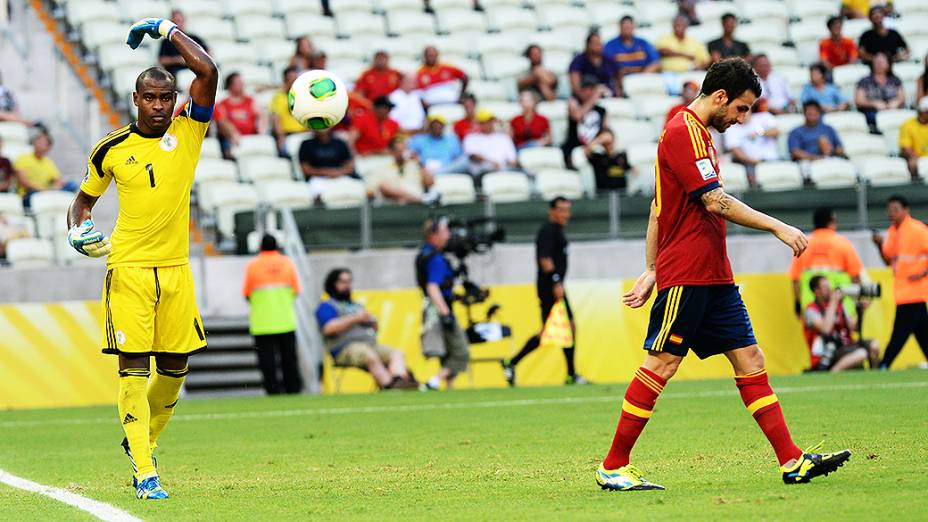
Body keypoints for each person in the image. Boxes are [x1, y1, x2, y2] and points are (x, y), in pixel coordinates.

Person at [596, 58, 849, 492]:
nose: (742, 118)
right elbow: (715, 202)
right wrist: (778, 225)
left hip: (714, 275)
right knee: (662, 363)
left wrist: (651, 268)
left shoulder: (697, 136)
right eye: (741, 108)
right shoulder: (683, 132)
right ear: (720, 97)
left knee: (751, 360)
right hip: (689, 274)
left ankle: (791, 461)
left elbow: (660, 208)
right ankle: (613, 466)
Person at [65, 16, 218, 500]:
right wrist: (77, 231)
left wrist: (166, 29)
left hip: (176, 270)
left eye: (165, 97)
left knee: (174, 371)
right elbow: (82, 201)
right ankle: (146, 471)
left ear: (175, 101)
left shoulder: (189, 132)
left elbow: (209, 71)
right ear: (135, 99)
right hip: (128, 269)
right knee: (134, 368)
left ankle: (140, 443)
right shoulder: (111, 148)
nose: (158, 105)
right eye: (149, 97)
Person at [502, 197, 588, 386]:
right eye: (562, 210)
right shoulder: (548, 231)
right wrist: (556, 282)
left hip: (552, 286)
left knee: (555, 332)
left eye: (568, 210)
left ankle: (512, 362)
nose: (566, 214)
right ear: (552, 211)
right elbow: (545, 259)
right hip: (550, 287)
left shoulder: (557, 231)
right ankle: (571, 375)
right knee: (565, 328)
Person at [316, 268, 418, 390]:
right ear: (332, 284)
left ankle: (399, 381)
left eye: (349, 282)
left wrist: (371, 322)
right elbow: (328, 328)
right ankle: (390, 387)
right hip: (345, 348)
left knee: (396, 353)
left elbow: (375, 327)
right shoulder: (327, 306)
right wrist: (355, 318)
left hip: (369, 344)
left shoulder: (356, 305)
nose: (347, 285)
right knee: (369, 355)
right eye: (342, 282)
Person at [872, 195, 928, 369]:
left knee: (900, 332)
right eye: (889, 210)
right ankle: (885, 363)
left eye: (895, 209)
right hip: (902, 290)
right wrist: (879, 245)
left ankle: (884, 363)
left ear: (906, 210)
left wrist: (923, 272)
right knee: (922, 333)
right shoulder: (893, 231)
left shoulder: (918, 230)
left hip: (914, 291)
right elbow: (888, 260)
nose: (892, 213)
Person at [242, 234, 303, 395]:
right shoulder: (287, 263)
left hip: (262, 323)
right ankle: (293, 389)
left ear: (260, 247)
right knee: (289, 360)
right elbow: (296, 291)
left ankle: (273, 390)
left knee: (267, 362)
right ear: (277, 246)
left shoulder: (253, 265)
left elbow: (247, 294)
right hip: (285, 321)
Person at [416, 217, 470, 390]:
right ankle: (433, 382)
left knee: (446, 353)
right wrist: (446, 313)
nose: (448, 236)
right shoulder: (435, 259)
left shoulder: (424, 254)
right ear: (433, 235)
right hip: (439, 308)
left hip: (431, 307)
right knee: (461, 352)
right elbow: (432, 287)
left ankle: (450, 387)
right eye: (445, 231)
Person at [788, 207, 864, 317]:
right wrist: (859, 302)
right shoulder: (843, 243)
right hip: (841, 306)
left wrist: (797, 304)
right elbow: (856, 277)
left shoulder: (804, 244)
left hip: (812, 308)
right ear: (831, 222)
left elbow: (795, 280)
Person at [804, 275, 880, 372]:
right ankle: (830, 375)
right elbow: (825, 329)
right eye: (826, 288)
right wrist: (833, 303)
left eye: (829, 287)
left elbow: (853, 327)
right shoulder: (811, 309)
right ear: (816, 291)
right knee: (861, 354)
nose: (830, 290)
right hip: (826, 354)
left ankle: (874, 376)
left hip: (845, 346)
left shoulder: (839, 305)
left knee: (874, 345)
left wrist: (861, 311)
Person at [724, 99, 780, 184]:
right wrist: (755, 162)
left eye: (745, 109)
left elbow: (776, 131)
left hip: (773, 160)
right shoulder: (731, 128)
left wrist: (760, 133)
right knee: (750, 176)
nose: (743, 113)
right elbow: (736, 151)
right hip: (749, 164)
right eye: (739, 110)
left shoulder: (763, 117)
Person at [214, 72, 267, 160]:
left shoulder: (250, 101)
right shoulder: (223, 104)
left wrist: (261, 132)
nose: (242, 85)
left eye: (242, 82)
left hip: (251, 137)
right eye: (239, 83)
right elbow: (222, 122)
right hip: (232, 139)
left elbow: (262, 115)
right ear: (230, 86)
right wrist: (233, 134)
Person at [367, 138, 435, 204]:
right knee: (384, 186)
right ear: (392, 151)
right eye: (399, 150)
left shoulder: (415, 165)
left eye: (404, 150)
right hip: (392, 202)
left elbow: (430, 183)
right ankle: (419, 199)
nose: (402, 153)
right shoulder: (381, 168)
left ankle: (415, 199)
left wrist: (420, 163)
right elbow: (370, 191)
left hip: (413, 200)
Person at [562, 75, 608, 169]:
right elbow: (577, 116)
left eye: (592, 89)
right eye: (587, 88)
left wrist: (593, 144)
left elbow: (606, 130)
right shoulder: (573, 103)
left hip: (594, 146)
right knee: (579, 158)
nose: (589, 92)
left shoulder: (601, 110)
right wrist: (594, 98)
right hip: (575, 147)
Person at [656, 15, 710, 94]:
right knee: (673, 91)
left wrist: (699, 66)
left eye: (682, 25)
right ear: (673, 26)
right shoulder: (665, 38)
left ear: (686, 26)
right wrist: (686, 55)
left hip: (690, 72)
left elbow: (706, 60)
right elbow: (662, 51)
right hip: (670, 73)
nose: (679, 27)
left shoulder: (694, 41)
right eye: (677, 25)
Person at [299, 129, 355, 201]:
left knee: (354, 189)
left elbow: (350, 167)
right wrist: (327, 172)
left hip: (339, 177)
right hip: (317, 178)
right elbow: (306, 169)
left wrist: (337, 173)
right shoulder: (306, 144)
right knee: (316, 192)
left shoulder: (340, 143)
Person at [14, 132, 68, 206]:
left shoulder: (49, 162)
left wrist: (56, 187)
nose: (39, 144)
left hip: (46, 193)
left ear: (48, 147)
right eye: (38, 141)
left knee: (72, 185)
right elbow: (25, 183)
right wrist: (45, 190)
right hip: (28, 194)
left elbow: (57, 180)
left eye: (43, 143)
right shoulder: (22, 158)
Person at [855, 53, 905, 130]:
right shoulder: (864, 81)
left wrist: (896, 102)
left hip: (892, 109)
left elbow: (901, 98)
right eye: (876, 62)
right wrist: (874, 103)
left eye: (881, 62)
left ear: (888, 64)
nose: (878, 64)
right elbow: (859, 101)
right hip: (872, 111)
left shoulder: (895, 79)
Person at [461, 109, 518, 178]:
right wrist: (491, 162)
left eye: (489, 121)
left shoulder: (504, 138)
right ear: (478, 123)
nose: (486, 124)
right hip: (481, 172)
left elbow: (512, 159)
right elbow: (472, 156)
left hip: (503, 170)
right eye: (483, 122)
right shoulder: (471, 138)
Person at [569, 32, 622, 97]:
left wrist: (618, 90)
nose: (599, 45)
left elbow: (619, 74)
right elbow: (575, 84)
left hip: (608, 95)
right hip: (587, 96)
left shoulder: (608, 60)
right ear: (588, 45)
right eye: (595, 43)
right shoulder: (578, 61)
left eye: (600, 43)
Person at [157, 10, 208, 77]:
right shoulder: (166, 42)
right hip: (178, 72)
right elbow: (162, 60)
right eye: (176, 21)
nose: (179, 24)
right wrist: (177, 60)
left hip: (196, 70)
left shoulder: (194, 38)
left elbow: (208, 53)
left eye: (181, 21)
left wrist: (194, 59)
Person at [270, 66, 307, 156]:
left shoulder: (304, 96)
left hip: (305, 133)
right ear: (286, 81)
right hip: (288, 134)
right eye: (292, 80)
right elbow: (276, 119)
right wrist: (280, 137)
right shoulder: (278, 98)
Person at [899, 96, 928, 180]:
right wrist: (920, 159)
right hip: (916, 158)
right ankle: (916, 185)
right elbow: (906, 149)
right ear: (923, 112)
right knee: (912, 163)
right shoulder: (908, 125)